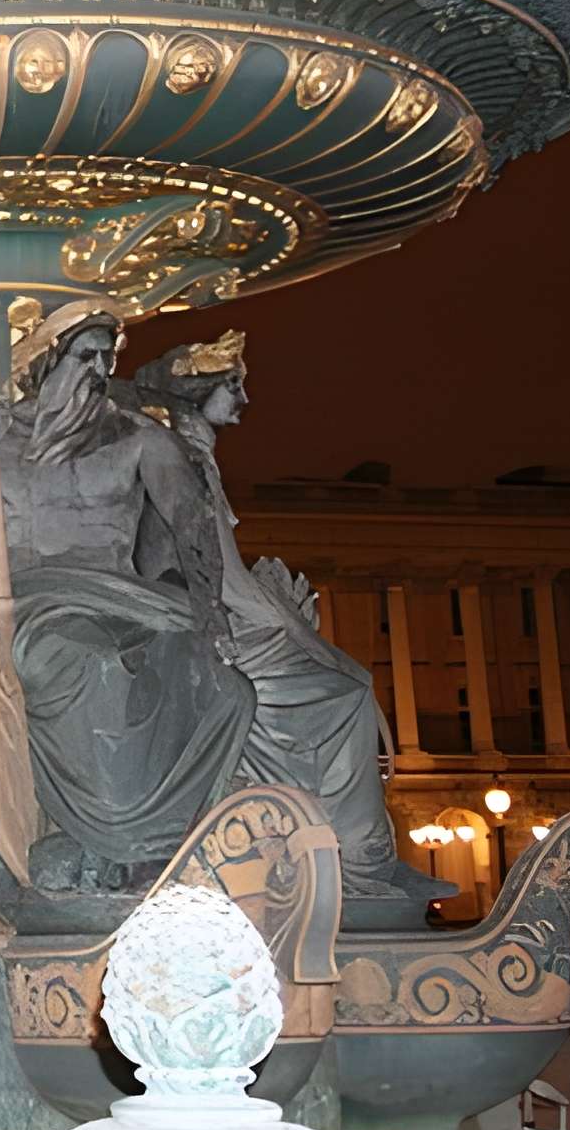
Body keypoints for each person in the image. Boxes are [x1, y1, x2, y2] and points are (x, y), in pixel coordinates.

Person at [0, 301, 252, 890]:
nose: (99, 369)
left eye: (108, 356)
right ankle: (117, 844)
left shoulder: (140, 438)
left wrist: (209, 611)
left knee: (217, 681)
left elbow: (193, 522)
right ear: (48, 359)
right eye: (85, 355)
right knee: (94, 664)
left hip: (124, 598)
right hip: (30, 602)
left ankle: (169, 841)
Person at [132, 334, 448, 910]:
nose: (245, 399)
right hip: (206, 625)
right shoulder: (188, 461)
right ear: (196, 393)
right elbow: (220, 576)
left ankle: (338, 850)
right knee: (348, 689)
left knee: (342, 679)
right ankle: (360, 862)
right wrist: (291, 624)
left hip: (193, 616)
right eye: (233, 385)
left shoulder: (182, 455)